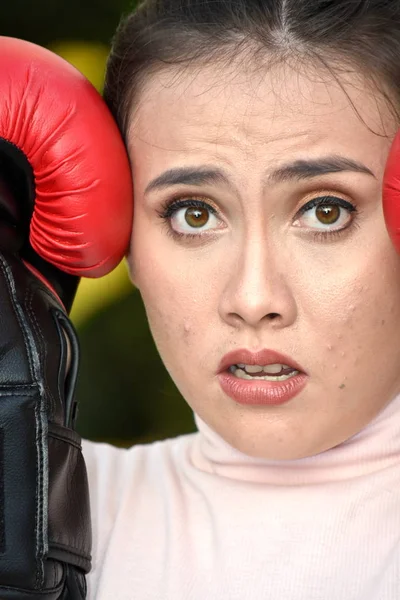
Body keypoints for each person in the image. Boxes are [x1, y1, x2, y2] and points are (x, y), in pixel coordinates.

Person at [77, 0, 400, 598]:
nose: (253, 299)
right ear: (123, 239)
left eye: (326, 211)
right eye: (193, 214)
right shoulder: (47, 516)